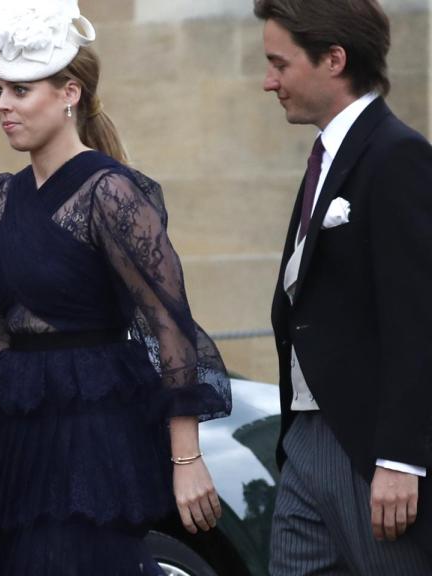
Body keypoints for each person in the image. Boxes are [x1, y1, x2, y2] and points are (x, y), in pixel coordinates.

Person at [0, 1, 232, 573]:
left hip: (95, 434)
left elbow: (169, 324)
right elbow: (1, 334)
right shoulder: (1, 196)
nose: (2, 105)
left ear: (69, 93)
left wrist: (186, 457)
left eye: (20, 91)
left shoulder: (110, 192)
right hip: (20, 442)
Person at [256, 0, 432, 573]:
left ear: (334, 59)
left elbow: (418, 318)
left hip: (368, 449)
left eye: (280, 64)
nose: (268, 81)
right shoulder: (326, 157)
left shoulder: (398, 155)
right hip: (305, 438)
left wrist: (402, 459)